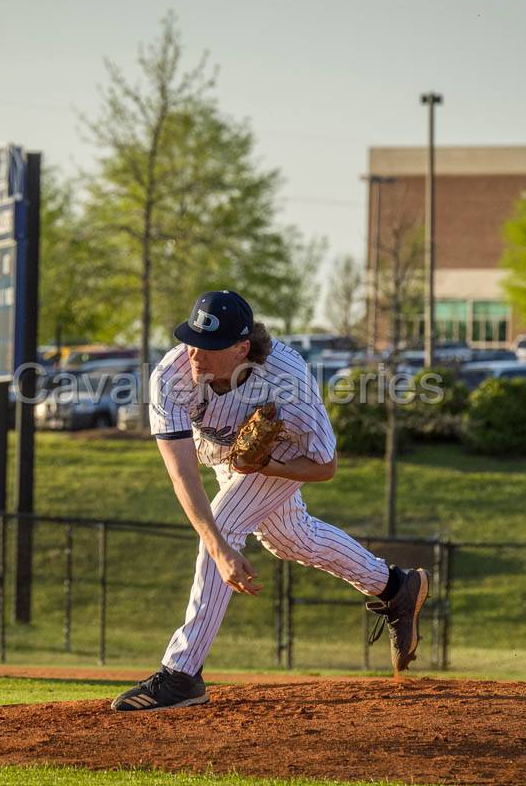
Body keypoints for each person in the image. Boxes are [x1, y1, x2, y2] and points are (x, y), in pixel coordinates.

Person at [111, 290, 428, 712]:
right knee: (292, 539)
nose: (195, 354)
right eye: (191, 341)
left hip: (284, 456)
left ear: (242, 348)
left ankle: (181, 674)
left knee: (225, 523)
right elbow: (182, 473)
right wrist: (220, 549)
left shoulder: (287, 378)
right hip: (226, 459)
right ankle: (396, 587)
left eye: (209, 346)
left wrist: (267, 470)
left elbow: (325, 466)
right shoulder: (171, 377)